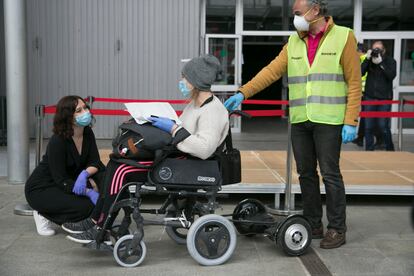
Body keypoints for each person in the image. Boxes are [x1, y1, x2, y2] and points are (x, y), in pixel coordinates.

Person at [225, 0, 361, 249]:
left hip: (329, 120)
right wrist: (243, 93)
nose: (295, 18)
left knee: (330, 175)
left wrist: (351, 120)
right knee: (306, 174)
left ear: (315, 11)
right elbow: (271, 71)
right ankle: (313, 222)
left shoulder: (344, 37)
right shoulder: (294, 41)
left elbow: (354, 82)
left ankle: (337, 229)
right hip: (300, 120)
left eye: (297, 13)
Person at [63, 55, 230, 244]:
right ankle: (96, 219)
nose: (182, 82)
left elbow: (204, 149)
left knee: (122, 170)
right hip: (178, 157)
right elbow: (181, 130)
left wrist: (173, 128)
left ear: (195, 81)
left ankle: (101, 227)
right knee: (115, 162)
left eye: (185, 78)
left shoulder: (212, 111)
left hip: (189, 165)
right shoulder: (194, 106)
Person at [25, 96, 105, 236]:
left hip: (69, 180)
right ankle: (43, 213)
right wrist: (88, 192)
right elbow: (60, 180)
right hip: (43, 188)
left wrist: (84, 174)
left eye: (85, 108)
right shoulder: (58, 141)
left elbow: (96, 162)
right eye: (78, 110)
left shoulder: (87, 132)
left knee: (102, 183)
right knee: (86, 207)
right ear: (68, 117)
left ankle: (92, 216)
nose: (85, 112)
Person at [362, 40, 396, 151]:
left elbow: (391, 76)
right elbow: (360, 72)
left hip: (384, 98)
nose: (376, 51)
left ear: (384, 50)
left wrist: (381, 63)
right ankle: (369, 150)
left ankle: (390, 149)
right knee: (368, 127)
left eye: (378, 49)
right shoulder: (370, 61)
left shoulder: (390, 61)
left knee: (383, 126)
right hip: (370, 96)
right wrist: (367, 59)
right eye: (374, 49)